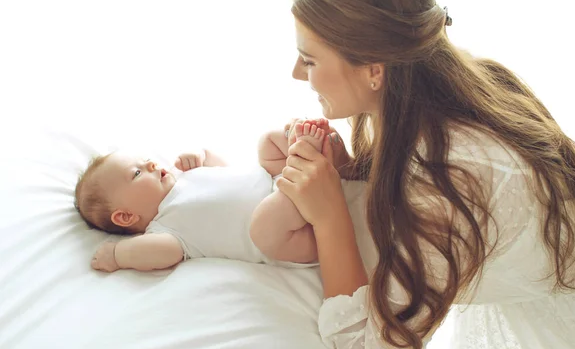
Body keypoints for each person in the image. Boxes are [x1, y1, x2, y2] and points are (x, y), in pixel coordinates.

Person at [275, 0, 575, 349]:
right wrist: (352, 170)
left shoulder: (449, 174)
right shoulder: (443, 95)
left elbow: (371, 345)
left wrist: (330, 218)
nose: (296, 73)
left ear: (374, 70)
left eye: (308, 59)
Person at [74, 120, 364, 272]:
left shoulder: (186, 178)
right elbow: (161, 255)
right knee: (262, 224)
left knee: (267, 143)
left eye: (146, 161)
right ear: (126, 216)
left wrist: (202, 155)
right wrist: (117, 255)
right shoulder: (165, 230)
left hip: (275, 182)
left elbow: (226, 170)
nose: (152, 165)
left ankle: (316, 157)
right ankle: (309, 161)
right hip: (290, 237)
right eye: (137, 173)